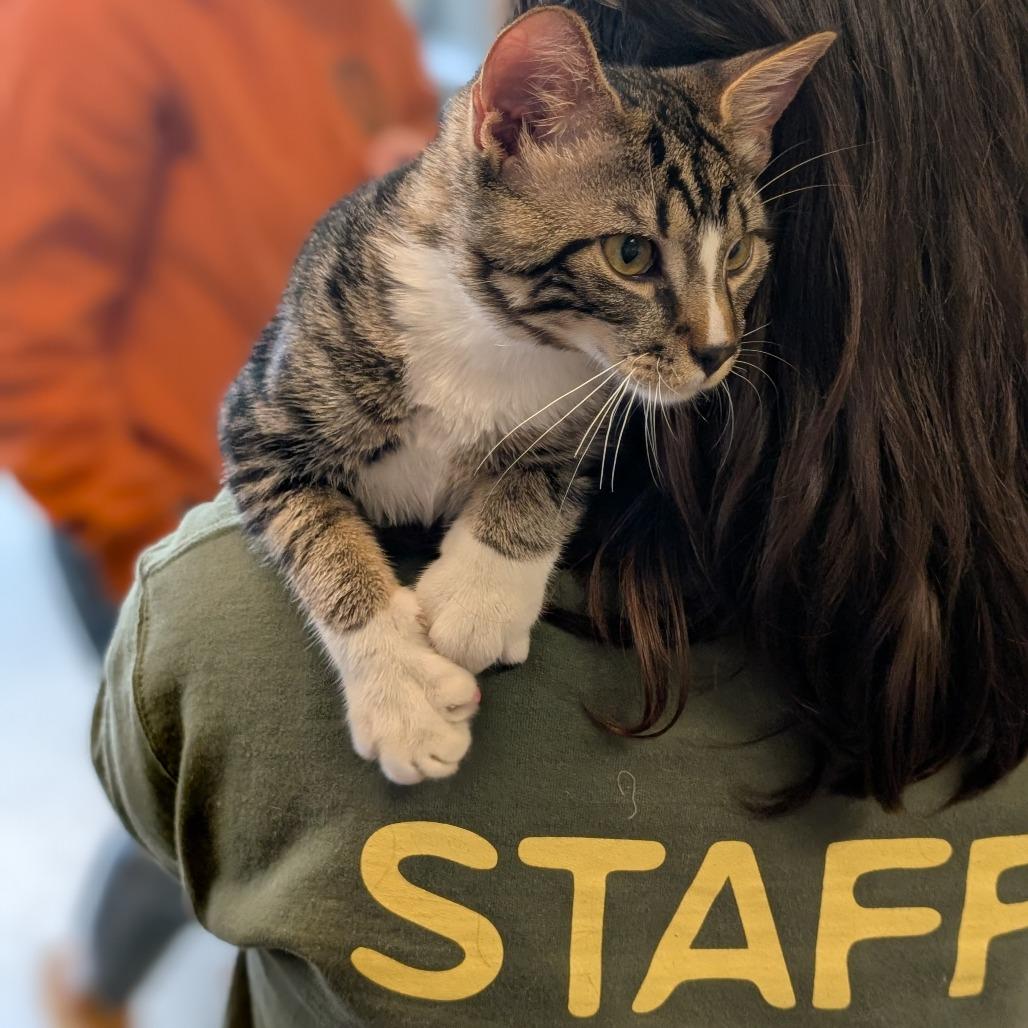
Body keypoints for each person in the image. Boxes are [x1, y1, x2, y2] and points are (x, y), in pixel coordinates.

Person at [92, 0, 1027, 1025]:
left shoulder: (214, 622)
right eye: (634, 258)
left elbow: (156, 818)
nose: (715, 337)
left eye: (737, 262)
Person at [0, 1, 438, 1024]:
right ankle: (91, 992)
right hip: (179, 510)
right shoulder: (85, 26)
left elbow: (414, 153)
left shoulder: (360, 17)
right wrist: (154, 546)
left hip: (349, 488)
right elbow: (27, 336)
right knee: (215, 793)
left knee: (312, 780)